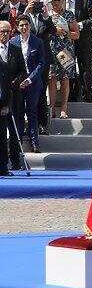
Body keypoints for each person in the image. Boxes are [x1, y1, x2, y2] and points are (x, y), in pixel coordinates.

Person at [10, 15, 44, 153]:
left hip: (33, 82)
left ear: (30, 26)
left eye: (26, 25)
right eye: (21, 25)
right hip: (18, 83)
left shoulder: (38, 42)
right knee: (18, 113)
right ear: (17, 28)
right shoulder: (13, 42)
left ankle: (34, 142)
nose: (24, 27)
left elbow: (41, 63)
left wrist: (30, 79)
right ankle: (16, 144)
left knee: (32, 112)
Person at [0, 20, 28, 175]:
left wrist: (13, 83)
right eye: (2, 31)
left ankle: (15, 162)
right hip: (0, 95)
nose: (5, 34)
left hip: (13, 94)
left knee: (15, 126)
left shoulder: (16, 49)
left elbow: (23, 71)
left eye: (7, 31)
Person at [46, 0, 77, 120]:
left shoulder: (69, 15)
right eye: (53, 0)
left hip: (65, 51)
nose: (56, 3)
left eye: (58, 0)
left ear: (63, 1)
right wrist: (52, 32)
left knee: (65, 79)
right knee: (51, 79)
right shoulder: (47, 15)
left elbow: (76, 34)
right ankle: (52, 108)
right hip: (51, 50)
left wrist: (64, 32)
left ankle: (64, 109)